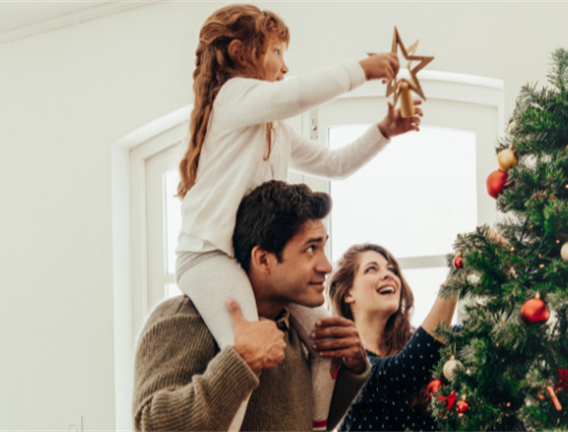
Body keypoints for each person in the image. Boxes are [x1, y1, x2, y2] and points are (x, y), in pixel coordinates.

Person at [173, 5, 422, 430]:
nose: (285, 67)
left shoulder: (276, 130)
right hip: (210, 255)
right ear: (240, 53)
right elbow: (295, 94)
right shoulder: (232, 97)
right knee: (245, 349)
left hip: (254, 257)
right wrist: (362, 69)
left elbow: (336, 163)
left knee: (327, 337)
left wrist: (383, 130)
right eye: (275, 53)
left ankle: (319, 424)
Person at [134, 181, 372, 432]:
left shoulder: (294, 330)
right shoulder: (182, 318)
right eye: (311, 248)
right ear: (263, 259)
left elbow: (308, 422)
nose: (327, 266)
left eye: (323, 246)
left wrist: (352, 367)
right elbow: (150, 425)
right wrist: (240, 362)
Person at [327, 244, 458, 432]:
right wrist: (457, 275)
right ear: (348, 293)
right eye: (371, 268)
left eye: (392, 270)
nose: (389, 275)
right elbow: (402, 372)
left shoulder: (419, 348)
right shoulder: (344, 363)